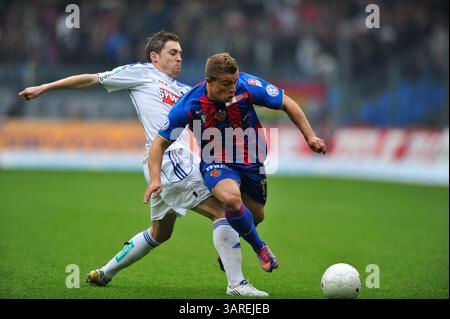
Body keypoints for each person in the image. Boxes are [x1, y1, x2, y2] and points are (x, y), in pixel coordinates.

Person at [17, 32, 268, 297]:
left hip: (172, 164)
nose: (179, 58)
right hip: (172, 162)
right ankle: (237, 285)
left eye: (181, 53)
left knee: (160, 233)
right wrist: (44, 87)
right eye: (173, 53)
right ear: (154, 56)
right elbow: (91, 78)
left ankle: (105, 272)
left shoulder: (186, 91)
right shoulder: (141, 73)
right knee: (225, 211)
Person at [145, 52, 327, 273]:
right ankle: (261, 248)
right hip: (216, 161)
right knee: (231, 199)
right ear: (209, 82)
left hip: (252, 160)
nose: (232, 89)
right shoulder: (190, 104)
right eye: (225, 84)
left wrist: (310, 137)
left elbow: (286, 102)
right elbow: (159, 144)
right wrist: (155, 179)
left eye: (234, 82)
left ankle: (229, 247)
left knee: (256, 215)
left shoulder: (246, 85)